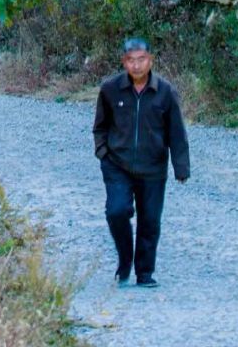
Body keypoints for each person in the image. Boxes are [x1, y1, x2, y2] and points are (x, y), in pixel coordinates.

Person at [92, 36, 190, 288]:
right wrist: (103, 153)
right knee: (116, 211)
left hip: (153, 167)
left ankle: (144, 273)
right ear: (124, 62)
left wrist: (181, 166)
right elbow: (100, 126)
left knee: (150, 220)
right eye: (131, 60)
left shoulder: (165, 91)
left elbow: (176, 131)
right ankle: (125, 261)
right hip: (117, 164)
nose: (136, 66)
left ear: (151, 60)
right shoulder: (110, 89)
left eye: (142, 60)